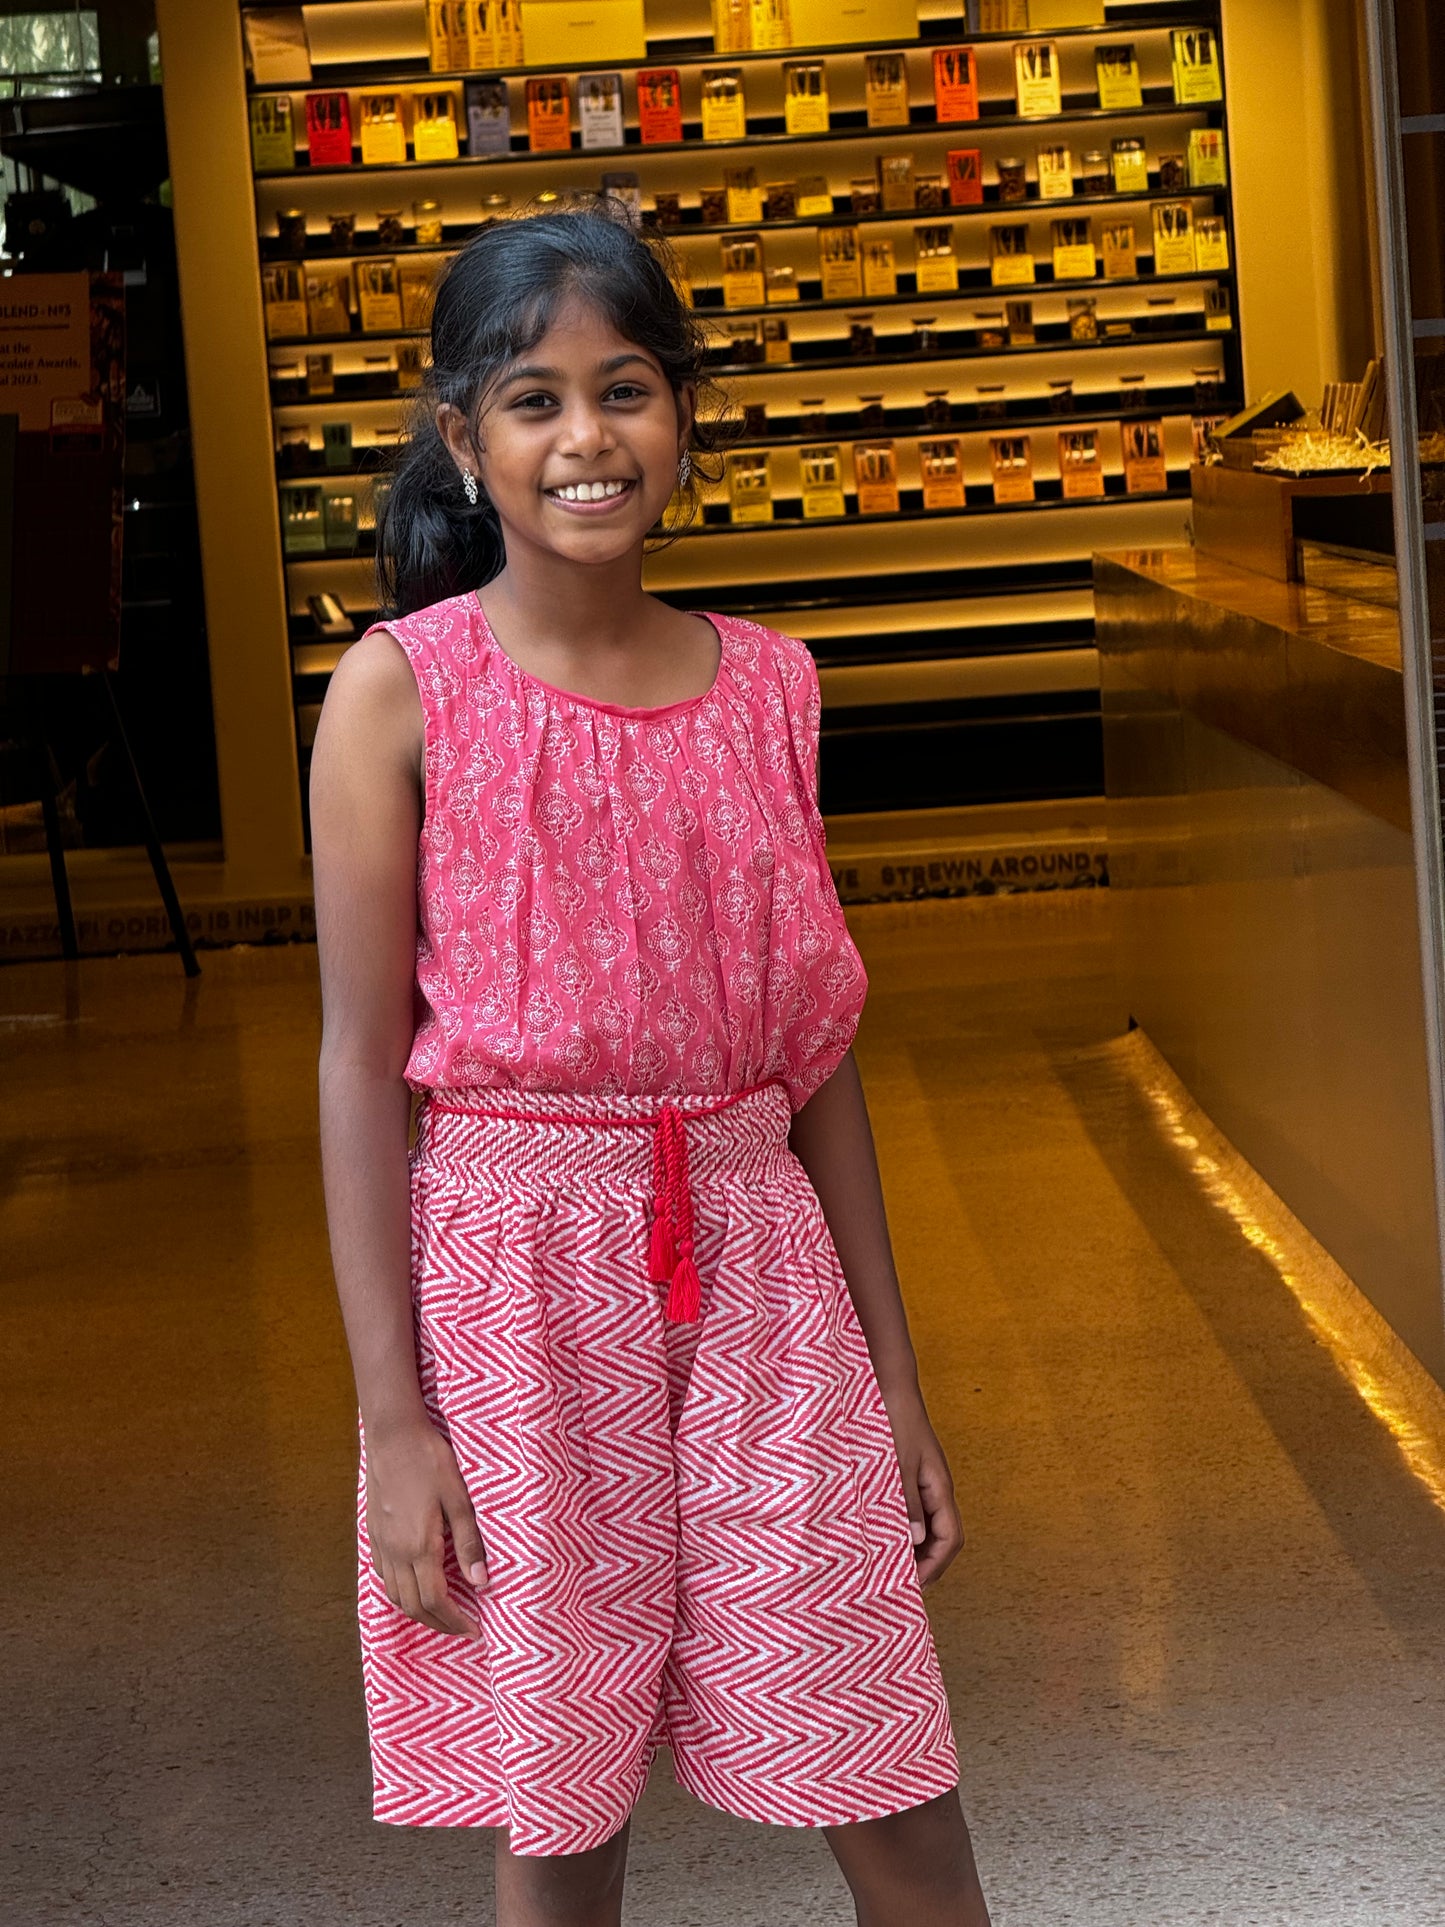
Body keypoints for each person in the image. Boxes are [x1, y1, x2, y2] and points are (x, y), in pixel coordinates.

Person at [309, 198, 993, 1927]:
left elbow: (813, 1056)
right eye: (532, 400)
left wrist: (893, 1377)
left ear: (682, 415)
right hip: (517, 1290)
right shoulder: (403, 694)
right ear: (464, 437)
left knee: (889, 1768)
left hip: (759, 1273)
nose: (585, 438)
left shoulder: (772, 685)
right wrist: (394, 1423)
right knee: (561, 1816)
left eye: (624, 389)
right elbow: (355, 1066)